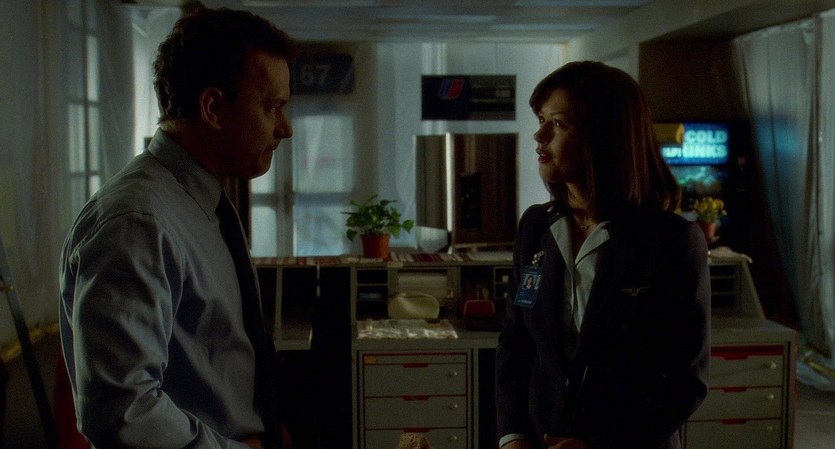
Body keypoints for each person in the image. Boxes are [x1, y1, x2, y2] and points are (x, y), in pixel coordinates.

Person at [59, 5, 297, 449]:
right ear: (213, 108)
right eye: (272, 107)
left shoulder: (200, 204)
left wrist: (264, 422)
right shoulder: (138, 222)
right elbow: (123, 412)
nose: (286, 129)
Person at [495, 61, 710, 449]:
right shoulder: (536, 227)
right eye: (541, 120)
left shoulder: (671, 242)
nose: (539, 136)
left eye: (558, 123)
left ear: (604, 136)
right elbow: (516, 345)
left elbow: (684, 380)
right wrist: (513, 437)